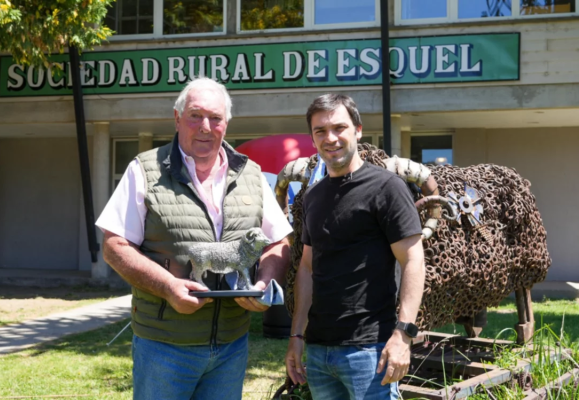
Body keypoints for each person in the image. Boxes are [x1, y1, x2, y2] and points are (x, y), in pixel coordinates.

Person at [96, 77, 292, 400]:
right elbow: (114, 246)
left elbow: (278, 242)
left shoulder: (252, 175)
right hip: (164, 346)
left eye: (215, 118)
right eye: (195, 116)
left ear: (226, 124)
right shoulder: (144, 170)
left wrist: (263, 284)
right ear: (177, 119)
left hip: (231, 347)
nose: (205, 126)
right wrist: (168, 287)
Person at [284, 94, 425, 400]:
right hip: (319, 351)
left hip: (370, 350)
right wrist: (296, 335)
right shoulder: (312, 197)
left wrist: (403, 334)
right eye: (320, 131)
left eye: (339, 128)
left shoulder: (387, 188)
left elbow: (413, 259)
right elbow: (307, 267)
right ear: (312, 138)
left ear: (358, 130)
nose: (330, 138)